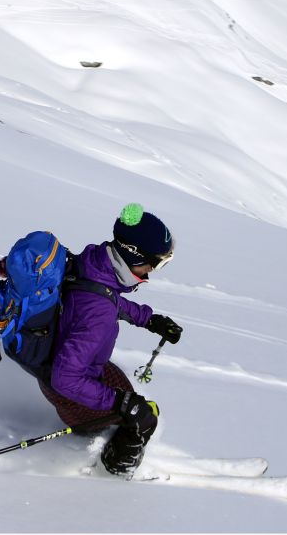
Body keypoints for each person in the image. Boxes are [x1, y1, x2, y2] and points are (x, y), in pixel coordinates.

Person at [38, 203, 183, 476]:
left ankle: (104, 433)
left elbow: (105, 297)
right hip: (67, 392)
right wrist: (121, 404)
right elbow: (65, 379)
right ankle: (111, 474)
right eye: (154, 265)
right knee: (144, 418)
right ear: (133, 257)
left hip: (65, 360)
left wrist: (149, 319)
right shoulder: (98, 316)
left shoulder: (94, 264)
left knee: (126, 390)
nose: (150, 273)